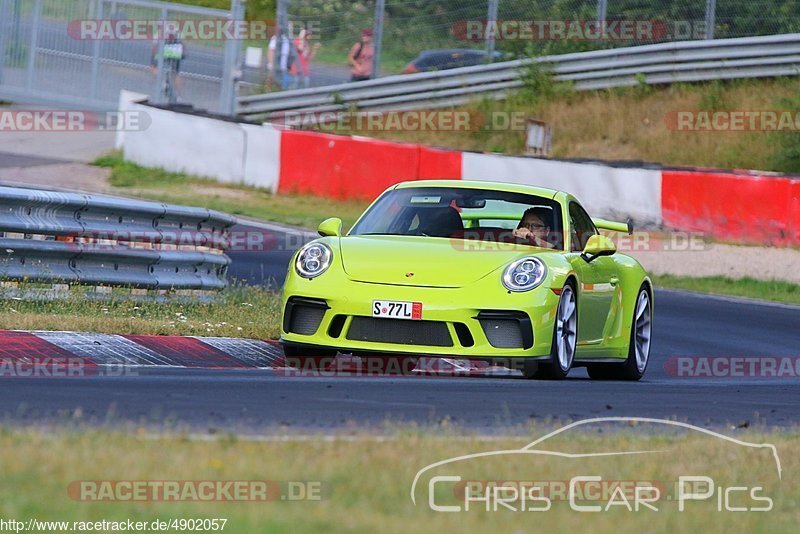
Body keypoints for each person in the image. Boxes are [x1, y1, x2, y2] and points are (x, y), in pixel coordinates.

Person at [268, 25, 297, 90]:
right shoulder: (276, 38)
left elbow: (291, 54)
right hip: (275, 65)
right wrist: (271, 65)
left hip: (284, 67)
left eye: (291, 29)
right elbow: (271, 51)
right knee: (271, 82)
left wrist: (289, 67)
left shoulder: (289, 40)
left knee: (280, 85)